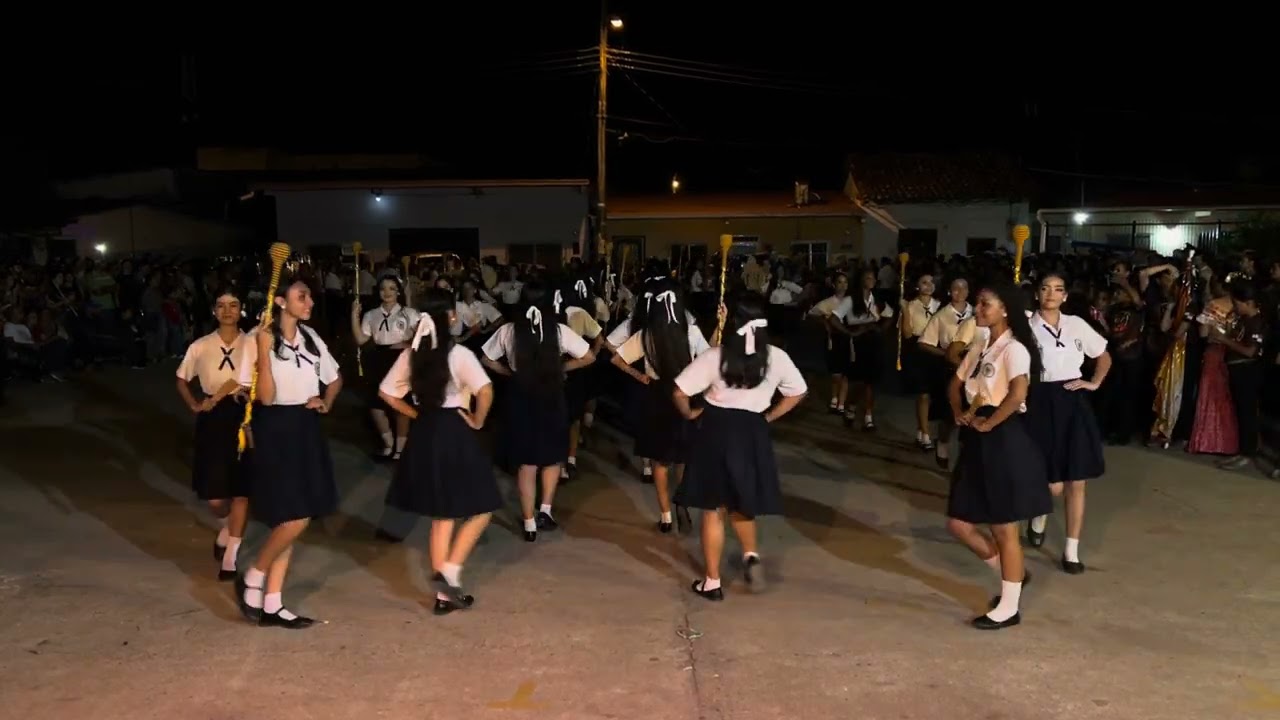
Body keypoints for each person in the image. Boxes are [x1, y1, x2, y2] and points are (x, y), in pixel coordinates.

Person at [672, 292, 808, 601]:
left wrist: (690, 413)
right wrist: (768, 416)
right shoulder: (776, 356)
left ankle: (712, 582)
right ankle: (749, 554)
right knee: (741, 500)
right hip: (752, 431)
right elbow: (798, 392)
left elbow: (679, 391)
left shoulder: (715, 356)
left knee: (714, 508)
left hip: (716, 430)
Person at [379, 289, 498, 616]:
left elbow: (387, 393)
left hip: (426, 432)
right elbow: (485, 390)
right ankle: (450, 573)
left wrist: (416, 414)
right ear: (450, 318)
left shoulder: (412, 354)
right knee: (482, 506)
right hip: (455, 430)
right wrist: (477, 420)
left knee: (441, 516)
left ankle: (443, 598)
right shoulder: (458, 353)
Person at [236, 277, 342, 629]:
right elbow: (264, 397)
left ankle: (273, 602)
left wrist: (324, 401)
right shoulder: (256, 339)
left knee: (291, 518)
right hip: (274, 427)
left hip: (305, 426)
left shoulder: (311, 338)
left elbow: (335, 377)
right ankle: (253, 575)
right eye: (301, 296)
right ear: (280, 302)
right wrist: (264, 353)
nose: (309, 302)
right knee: (295, 516)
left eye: (309, 295)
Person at [946, 283, 1051, 630]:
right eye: (978, 303)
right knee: (959, 523)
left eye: (985, 304)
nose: (978, 309)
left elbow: (1019, 392)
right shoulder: (980, 345)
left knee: (1004, 527)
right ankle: (1013, 574)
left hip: (1003, 436)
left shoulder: (1014, 349)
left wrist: (990, 422)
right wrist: (960, 412)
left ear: (1006, 309)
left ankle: (1009, 607)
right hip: (976, 436)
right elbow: (954, 384)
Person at [481, 281, 595, 541]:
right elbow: (589, 357)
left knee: (527, 461)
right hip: (552, 395)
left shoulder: (509, 331)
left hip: (520, 396)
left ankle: (529, 523)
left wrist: (509, 373)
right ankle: (546, 510)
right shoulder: (559, 331)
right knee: (553, 456)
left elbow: (486, 357)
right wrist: (562, 369)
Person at [1022, 273, 1111, 575]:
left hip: (1071, 399)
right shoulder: (1026, 324)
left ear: (1065, 296)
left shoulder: (1076, 324)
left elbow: (1103, 355)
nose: (1051, 294)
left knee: (1077, 479)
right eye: (1045, 288)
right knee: (1052, 484)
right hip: (1039, 400)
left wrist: (1094, 382)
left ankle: (1071, 550)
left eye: (1058, 289)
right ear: (1037, 294)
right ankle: (1039, 515)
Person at [612, 278, 711, 534]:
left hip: (655, 396)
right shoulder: (691, 332)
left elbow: (617, 359)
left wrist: (640, 376)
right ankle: (683, 502)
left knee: (659, 460)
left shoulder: (646, 334)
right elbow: (709, 357)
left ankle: (665, 516)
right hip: (686, 393)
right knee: (683, 457)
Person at [175, 288, 251, 580]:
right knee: (216, 496)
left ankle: (231, 553)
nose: (228, 310)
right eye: (221, 306)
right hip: (213, 416)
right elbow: (181, 379)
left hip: (244, 415)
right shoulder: (201, 345)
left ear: (241, 309)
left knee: (242, 487)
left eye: (234, 305)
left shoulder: (253, 343)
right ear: (214, 311)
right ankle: (227, 528)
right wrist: (195, 404)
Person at [351, 276, 419, 461]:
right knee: (375, 404)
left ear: (399, 291)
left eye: (391, 288)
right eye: (383, 288)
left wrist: (405, 343)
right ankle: (388, 444)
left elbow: (422, 335)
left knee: (399, 403)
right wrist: (354, 315)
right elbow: (361, 339)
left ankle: (401, 448)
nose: (387, 292)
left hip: (401, 359)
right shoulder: (371, 314)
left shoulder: (408, 313)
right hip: (378, 358)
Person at [1213, 280, 1269, 471]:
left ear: (1248, 302)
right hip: (1235, 369)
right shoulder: (1241, 320)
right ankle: (1243, 450)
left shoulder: (1258, 322)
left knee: (1247, 413)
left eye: (1237, 303)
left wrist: (1224, 340)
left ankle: (1248, 453)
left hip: (1248, 371)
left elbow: (1250, 351)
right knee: (1240, 412)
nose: (1235, 306)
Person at [917, 278, 972, 468]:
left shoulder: (977, 313)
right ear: (949, 292)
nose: (959, 291)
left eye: (963, 287)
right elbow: (924, 342)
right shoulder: (941, 315)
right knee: (949, 414)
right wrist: (947, 354)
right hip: (951, 367)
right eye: (955, 288)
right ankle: (943, 442)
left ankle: (967, 453)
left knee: (971, 411)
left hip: (973, 367)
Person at [900, 273, 941, 449]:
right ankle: (925, 433)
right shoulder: (910, 305)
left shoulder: (940, 306)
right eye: (924, 282)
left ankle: (922, 429)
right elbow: (907, 333)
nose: (929, 285)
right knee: (923, 394)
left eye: (931, 282)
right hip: (918, 352)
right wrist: (905, 311)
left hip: (937, 351)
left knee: (934, 396)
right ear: (917, 286)